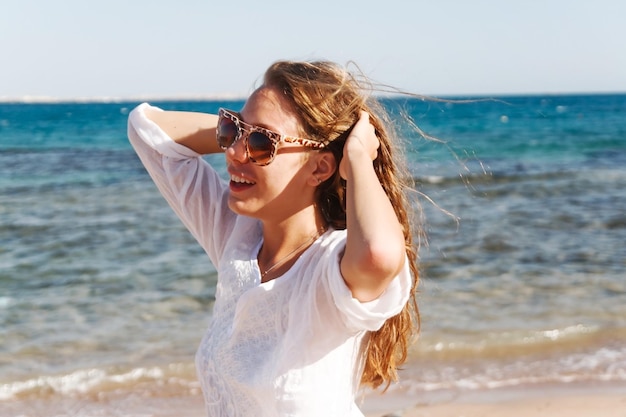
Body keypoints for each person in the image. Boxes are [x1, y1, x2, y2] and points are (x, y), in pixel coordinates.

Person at [127, 60, 420, 417]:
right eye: (233, 132)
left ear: (320, 168)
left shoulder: (332, 270)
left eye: (262, 142)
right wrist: (246, 131)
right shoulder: (237, 237)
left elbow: (379, 254)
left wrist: (357, 158)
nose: (233, 152)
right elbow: (147, 130)